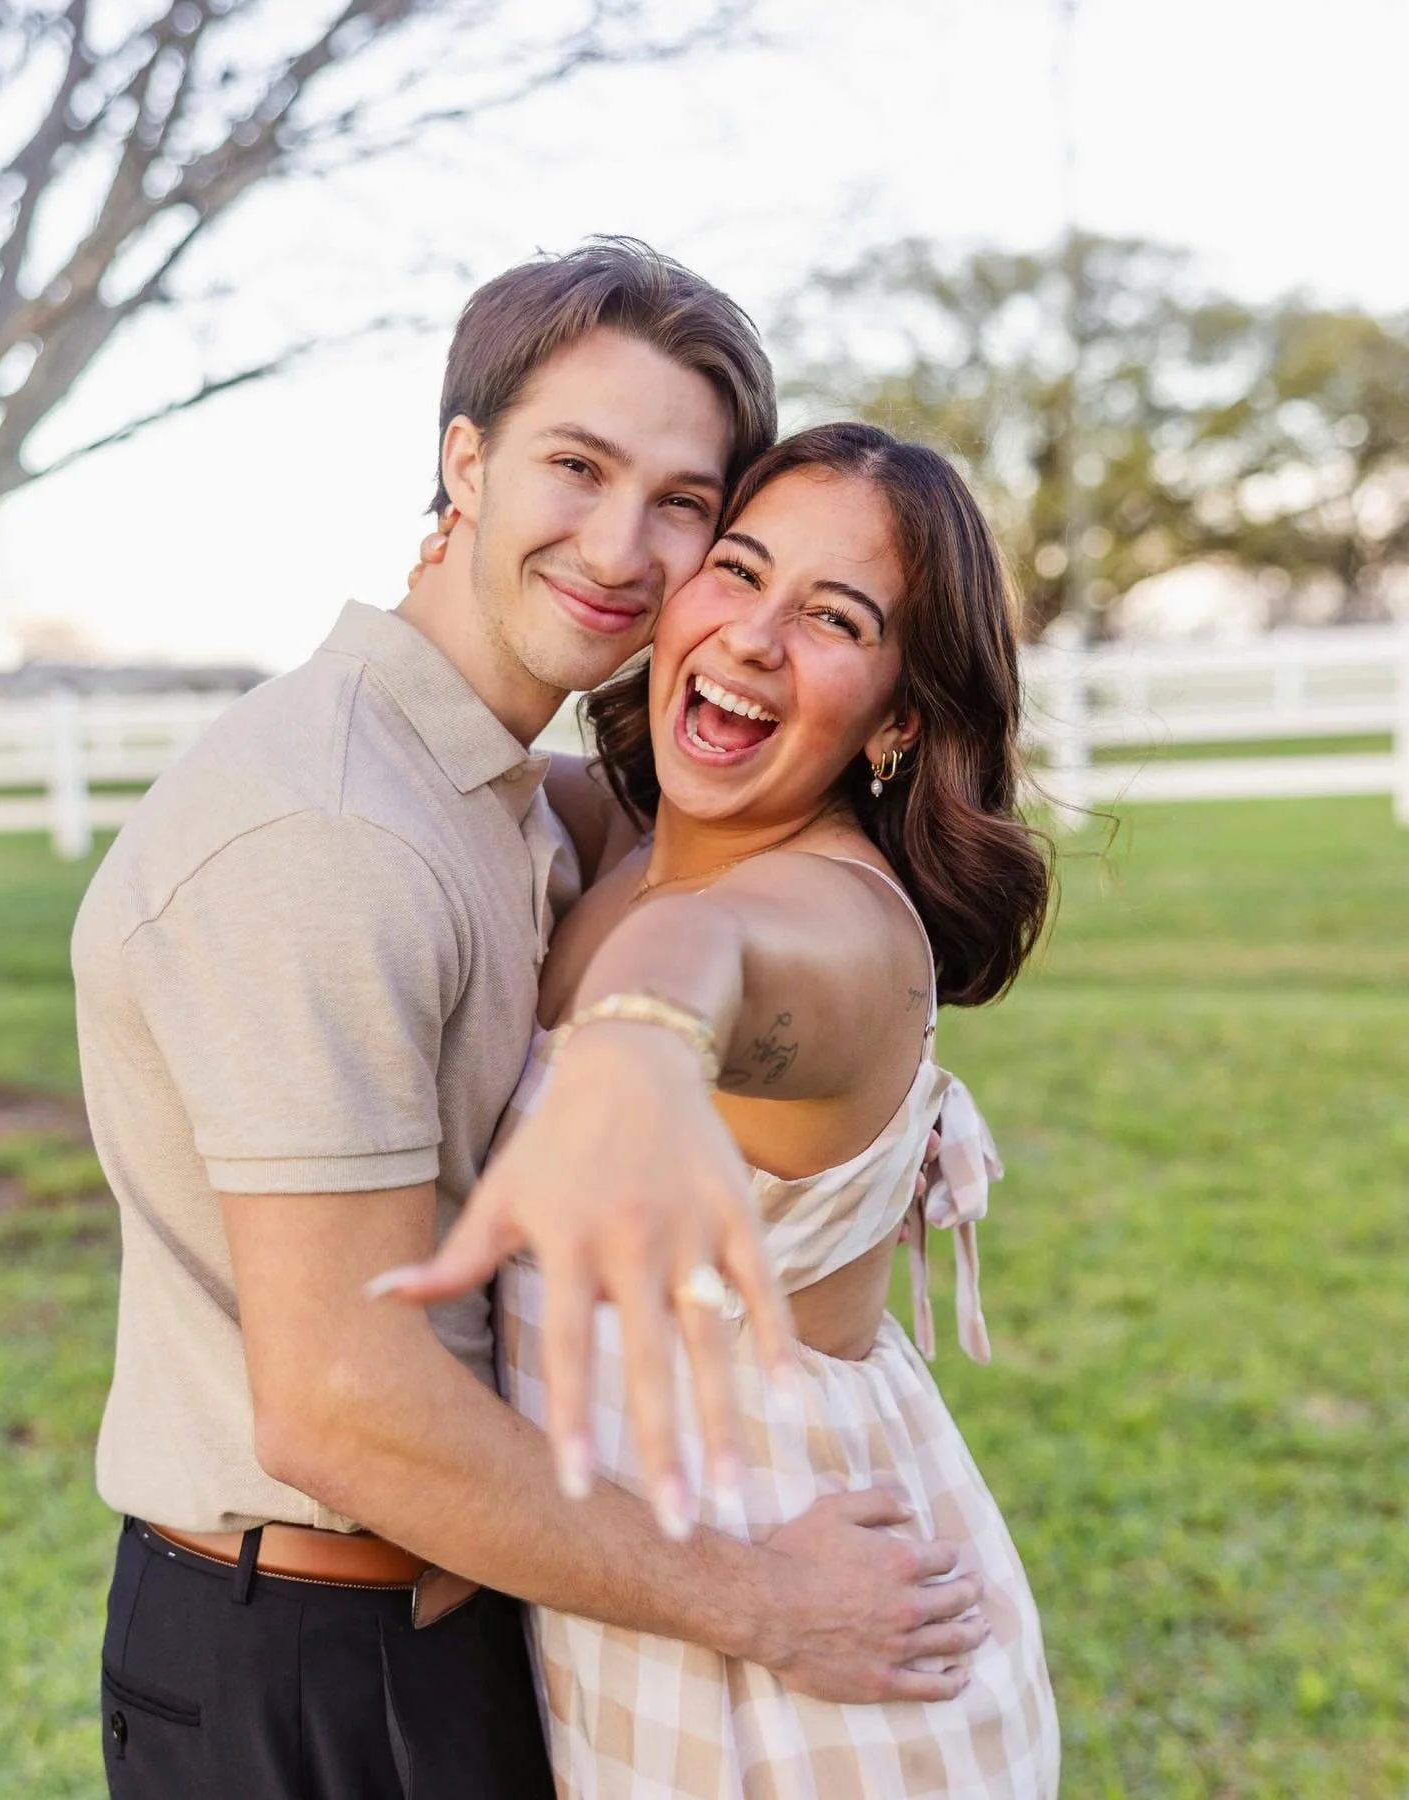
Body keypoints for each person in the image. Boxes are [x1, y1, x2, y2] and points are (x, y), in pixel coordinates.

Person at [72, 242, 985, 1799]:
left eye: (686, 504)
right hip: (323, 1661)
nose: (625, 546)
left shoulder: (525, 803)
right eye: (576, 464)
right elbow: (343, 1404)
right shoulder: (334, 833)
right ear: (465, 459)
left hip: (510, 1622)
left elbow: (737, 930)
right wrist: (767, 1599)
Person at [404, 420, 1060, 1796]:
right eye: (739, 572)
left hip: (824, 1678)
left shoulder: (839, 930)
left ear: (897, 718)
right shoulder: (622, 850)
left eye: (834, 617)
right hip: (669, 1627)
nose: (758, 636)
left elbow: (708, 961)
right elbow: (458, 745)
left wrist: (638, 1046)